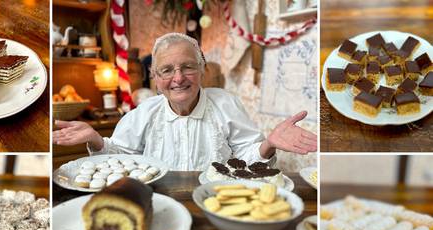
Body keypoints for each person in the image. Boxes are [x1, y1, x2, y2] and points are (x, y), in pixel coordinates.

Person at [53, 33, 317, 171]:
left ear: (202, 71)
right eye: (167, 70)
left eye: (188, 67)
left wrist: (268, 144)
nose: (178, 78)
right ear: (155, 78)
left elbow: (246, 158)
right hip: (159, 205)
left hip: (217, 202)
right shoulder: (144, 113)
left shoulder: (226, 104)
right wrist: (97, 141)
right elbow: (122, 161)